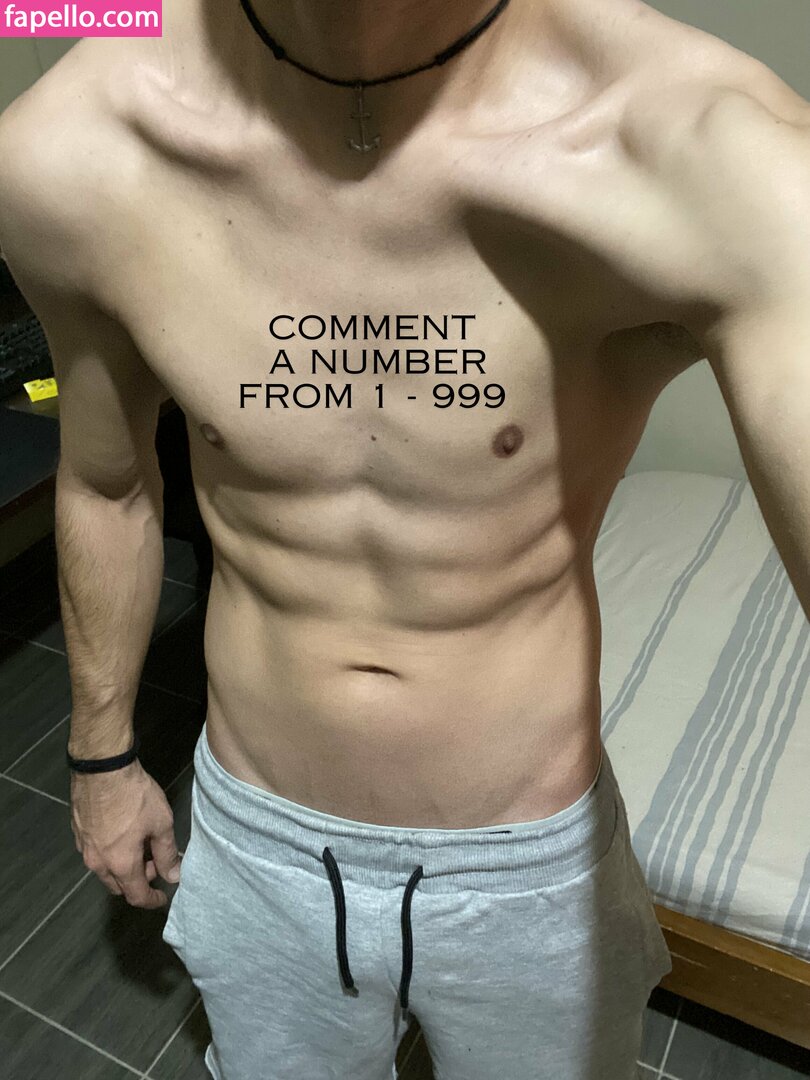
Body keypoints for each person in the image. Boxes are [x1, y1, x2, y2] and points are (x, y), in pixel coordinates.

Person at [2, 0, 810, 1077]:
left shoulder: (711, 157)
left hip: (529, 870)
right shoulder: (76, 152)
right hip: (257, 840)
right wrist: (102, 758)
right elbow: (107, 488)